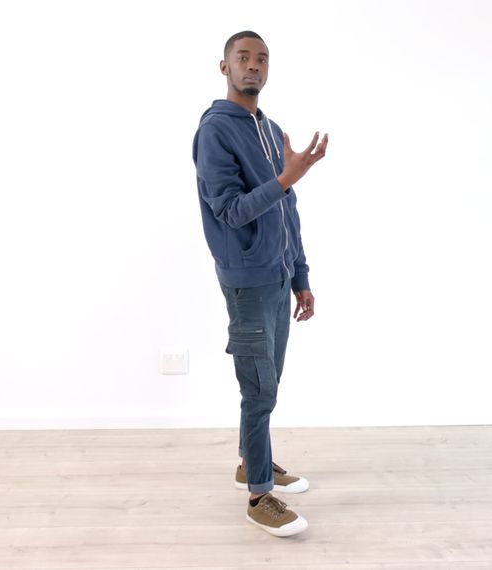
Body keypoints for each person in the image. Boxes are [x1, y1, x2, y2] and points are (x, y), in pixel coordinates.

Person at [192, 30, 328, 537]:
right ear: (224, 67)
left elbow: (285, 210)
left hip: (278, 276)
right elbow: (228, 211)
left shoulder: (269, 128)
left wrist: (301, 277)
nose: (254, 66)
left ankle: (254, 462)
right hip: (247, 282)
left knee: (268, 385)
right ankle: (257, 496)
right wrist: (286, 178)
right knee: (258, 389)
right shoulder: (215, 131)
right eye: (243, 58)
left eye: (262, 58)